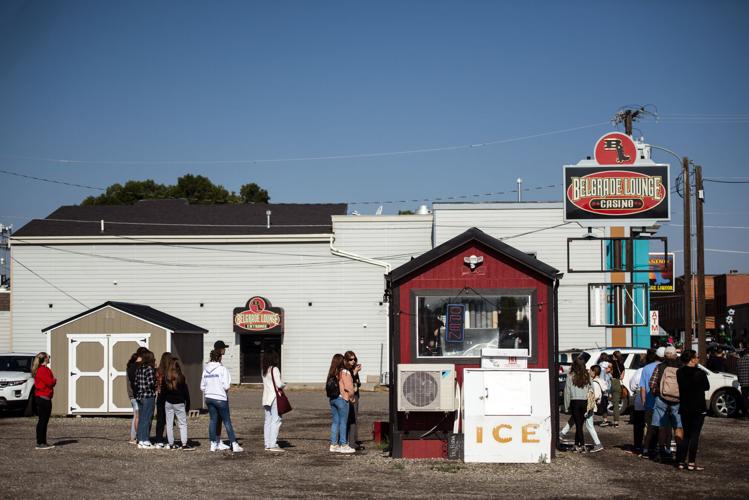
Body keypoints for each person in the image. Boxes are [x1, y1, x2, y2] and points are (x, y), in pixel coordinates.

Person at [201, 349, 243, 452]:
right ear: (220, 357)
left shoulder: (205, 370)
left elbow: (202, 387)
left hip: (209, 398)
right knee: (227, 421)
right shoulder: (222, 369)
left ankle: (213, 444)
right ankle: (234, 444)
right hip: (220, 398)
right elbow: (226, 386)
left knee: (212, 420)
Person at [675, 349, 710, 471]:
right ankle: (691, 462)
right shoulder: (699, 373)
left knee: (686, 435)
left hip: (685, 406)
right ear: (692, 359)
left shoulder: (679, 372)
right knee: (695, 436)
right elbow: (707, 386)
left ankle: (681, 461)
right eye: (697, 357)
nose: (698, 359)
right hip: (698, 407)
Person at [649, 345, 683, 462]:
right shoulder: (681, 367)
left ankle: (662, 450)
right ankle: (680, 451)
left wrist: (657, 393)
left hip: (661, 399)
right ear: (675, 355)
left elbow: (652, 383)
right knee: (678, 426)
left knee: (662, 426)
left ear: (664, 356)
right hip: (678, 401)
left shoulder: (660, 367)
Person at [562, 358, 602, 452]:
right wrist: (591, 404)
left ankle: (582, 444)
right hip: (585, 402)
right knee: (579, 423)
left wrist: (566, 405)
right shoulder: (587, 375)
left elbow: (567, 391)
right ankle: (576, 444)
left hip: (574, 401)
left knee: (578, 425)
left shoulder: (570, 375)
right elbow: (591, 389)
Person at [327, 353, 356, 454]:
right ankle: (344, 445)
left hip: (333, 399)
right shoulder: (345, 372)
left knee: (335, 422)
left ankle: (333, 444)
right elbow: (349, 388)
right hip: (342, 399)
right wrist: (351, 398)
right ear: (342, 361)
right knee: (343, 422)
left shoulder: (333, 372)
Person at [163, 356, 193, 450]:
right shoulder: (181, 377)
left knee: (169, 424)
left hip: (168, 403)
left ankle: (171, 444)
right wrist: (188, 403)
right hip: (179, 403)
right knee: (182, 424)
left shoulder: (166, 378)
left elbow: (164, 392)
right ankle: (184, 444)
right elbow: (186, 392)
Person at [639, 347, 663, 459]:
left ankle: (646, 448)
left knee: (649, 427)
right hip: (664, 401)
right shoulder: (667, 368)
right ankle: (661, 448)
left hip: (649, 401)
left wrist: (644, 400)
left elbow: (643, 387)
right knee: (662, 426)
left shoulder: (646, 368)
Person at [261, 350, 285, 452]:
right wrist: (285, 384)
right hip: (274, 398)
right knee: (276, 420)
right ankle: (273, 444)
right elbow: (279, 384)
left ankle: (267, 444)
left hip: (266, 398)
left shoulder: (264, 370)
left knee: (268, 421)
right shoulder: (275, 369)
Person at [32, 352, 56, 450]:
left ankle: (43, 442)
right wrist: (54, 380)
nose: (49, 358)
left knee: (43, 421)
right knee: (43, 421)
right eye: (48, 357)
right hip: (43, 398)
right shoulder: (42, 370)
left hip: (43, 397)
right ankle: (40, 443)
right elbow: (50, 382)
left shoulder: (43, 370)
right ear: (45, 358)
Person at [135, 349, 157, 449]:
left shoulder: (139, 368)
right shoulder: (149, 369)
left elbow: (135, 383)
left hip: (139, 396)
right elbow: (151, 383)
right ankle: (145, 440)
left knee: (141, 419)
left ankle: (140, 440)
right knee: (147, 418)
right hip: (148, 396)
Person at [126, 348, 147, 444]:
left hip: (132, 395)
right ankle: (137, 437)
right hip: (135, 395)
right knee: (138, 416)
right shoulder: (135, 368)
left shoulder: (129, 368)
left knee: (136, 416)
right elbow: (134, 384)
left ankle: (133, 437)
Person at [344, 350, 363, 450]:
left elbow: (357, 383)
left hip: (356, 395)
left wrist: (356, 373)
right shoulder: (346, 370)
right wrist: (355, 372)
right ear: (346, 360)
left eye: (354, 359)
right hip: (350, 396)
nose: (353, 361)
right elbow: (349, 382)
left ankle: (353, 440)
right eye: (351, 359)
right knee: (351, 419)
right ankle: (350, 442)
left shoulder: (352, 369)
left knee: (354, 418)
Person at [154, 351, 173, 448]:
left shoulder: (158, 371)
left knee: (160, 419)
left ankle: (158, 440)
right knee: (169, 419)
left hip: (160, 396)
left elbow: (155, 384)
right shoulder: (171, 371)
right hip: (169, 396)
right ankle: (169, 439)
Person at [628, 354, 646, 454]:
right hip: (654, 398)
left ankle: (638, 444)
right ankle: (651, 445)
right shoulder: (658, 368)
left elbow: (632, 385)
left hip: (640, 398)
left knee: (639, 424)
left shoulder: (639, 371)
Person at [213, 340, 229, 446]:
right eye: (223, 348)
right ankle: (217, 440)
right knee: (220, 419)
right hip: (220, 395)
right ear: (220, 350)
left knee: (215, 419)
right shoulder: (219, 366)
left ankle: (215, 440)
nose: (225, 350)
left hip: (211, 395)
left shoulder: (210, 365)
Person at [610, 351, 625, 428]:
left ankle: (604, 419)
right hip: (617, 383)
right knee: (616, 404)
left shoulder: (610, 363)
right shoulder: (622, 365)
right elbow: (622, 377)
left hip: (610, 382)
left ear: (614, 356)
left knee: (604, 400)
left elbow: (608, 372)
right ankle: (616, 422)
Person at [594, 361, 611, 427]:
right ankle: (605, 420)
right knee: (604, 406)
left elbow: (602, 382)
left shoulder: (602, 372)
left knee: (602, 406)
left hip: (603, 392)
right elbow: (609, 383)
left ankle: (605, 420)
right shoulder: (608, 373)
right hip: (606, 392)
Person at [738, 349, 749, 419]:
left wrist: (740, 380)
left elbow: (738, 372)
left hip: (743, 383)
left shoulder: (739, 360)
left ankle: (745, 414)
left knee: (744, 398)